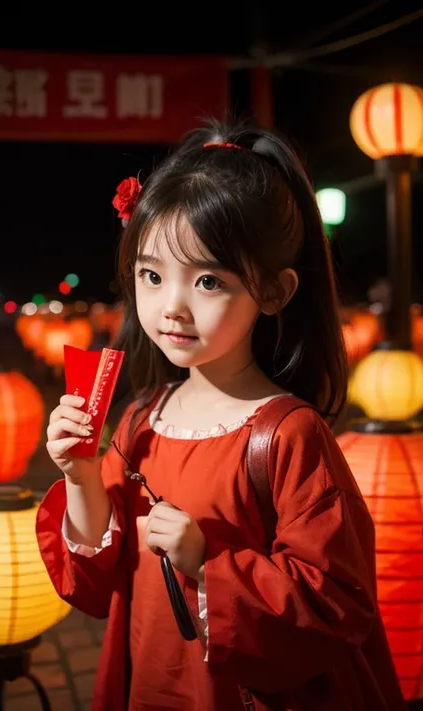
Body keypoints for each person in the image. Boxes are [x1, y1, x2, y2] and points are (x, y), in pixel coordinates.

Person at [36, 119, 407, 711]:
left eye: (208, 280)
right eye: (152, 275)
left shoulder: (287, 433)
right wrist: (79, 474)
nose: (171, 306)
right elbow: (98, 582)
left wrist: (207, 561)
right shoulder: (139, 420)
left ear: (274, 291)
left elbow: (337, 600)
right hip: (152, 673)